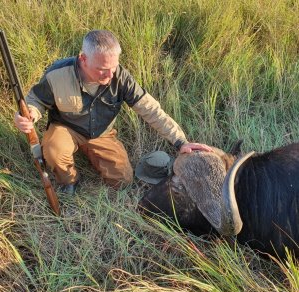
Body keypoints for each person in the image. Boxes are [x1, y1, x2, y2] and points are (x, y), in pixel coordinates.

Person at [14, 29, 212, 194]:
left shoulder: (121, 77)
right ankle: (70, 182)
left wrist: (181, 142)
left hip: (102, 133)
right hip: (66, 128)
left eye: (114, 67)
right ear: (83, 58)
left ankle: (90, 153)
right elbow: (35, 100)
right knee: (54, 150)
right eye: (102, 69)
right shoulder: (57, 74)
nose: (110, 75)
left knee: (123, 180)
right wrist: (29, 114)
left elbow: (152, 110)